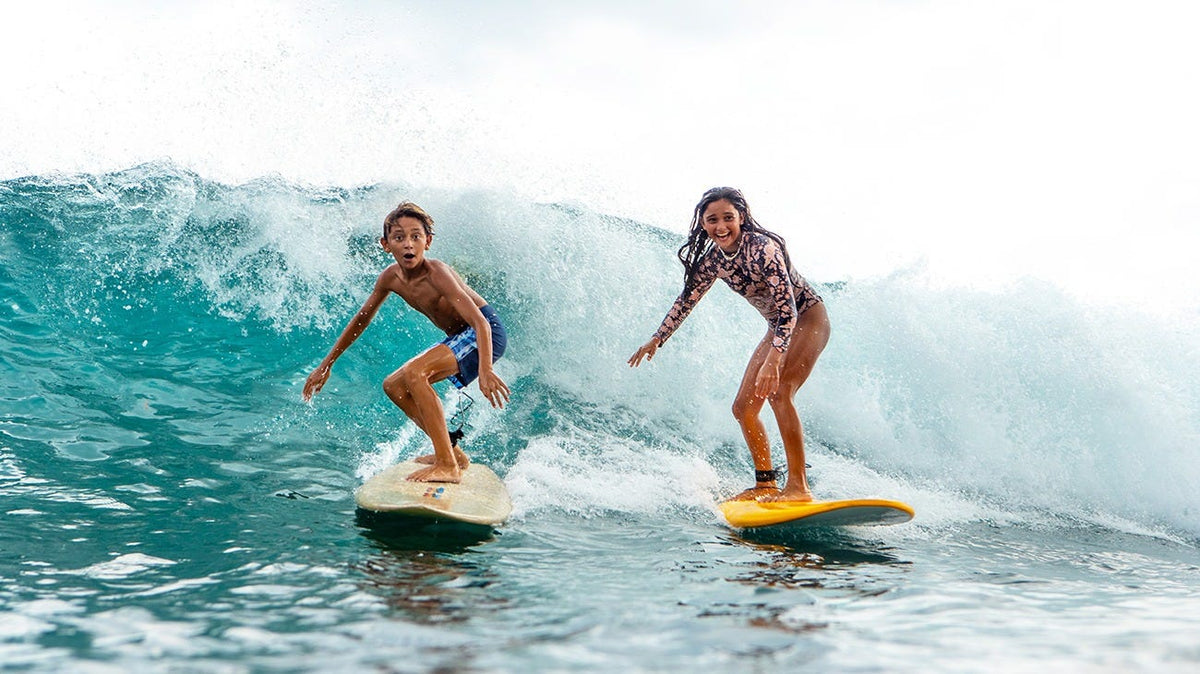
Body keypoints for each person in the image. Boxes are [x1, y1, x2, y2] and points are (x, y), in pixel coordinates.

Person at [628, 187, 830, 502]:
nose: (721, 226)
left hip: (807, 319)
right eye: (712, 220)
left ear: (742, 218)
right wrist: (658, 338)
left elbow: (789, 310)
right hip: (777, 327)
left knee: (778, 393)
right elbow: (686, 301)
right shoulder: (713, 262)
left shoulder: (764, 248)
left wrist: (773, 361)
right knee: (744, 408)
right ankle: (766, 484)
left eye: (728, 218)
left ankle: (798, 487)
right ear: (703, 225)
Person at [303, 201, 510, 483]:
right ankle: (452, 453)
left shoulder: (438, 273)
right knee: (394, 385)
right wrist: (326, 365)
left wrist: (485, 370)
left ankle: (447, 465)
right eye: (399, 237)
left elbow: (481, 323)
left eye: (416, 236)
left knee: (416, 373)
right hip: (460, 336)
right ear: (386, 244)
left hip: (484, 332)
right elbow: (361, 320)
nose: (408, 244)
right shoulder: (391, 278)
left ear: (428, 241)